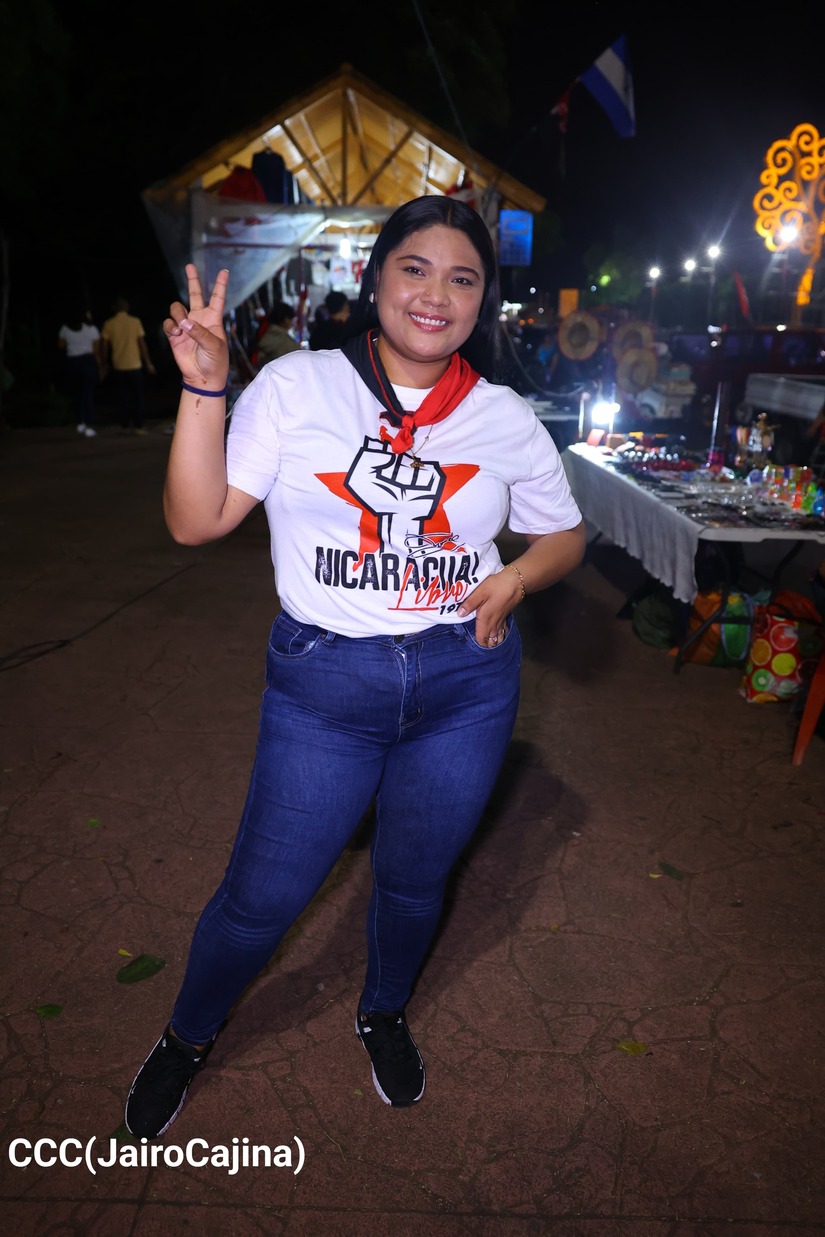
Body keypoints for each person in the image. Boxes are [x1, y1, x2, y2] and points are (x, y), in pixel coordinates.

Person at [123, 195, 585, 1139]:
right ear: (375, 279)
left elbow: (564, 534)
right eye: (415, 268)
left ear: (482, 301)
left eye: (462, 278)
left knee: (415, 879)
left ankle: (382, 1010)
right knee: (261, 898)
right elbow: (196, 520)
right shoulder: (296, 387)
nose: (435, 294)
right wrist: (204, 388)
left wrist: (517, 578)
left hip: (465, 683)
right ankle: (187, 1034)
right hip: (325, 688)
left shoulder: (501, 416)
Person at [100, 296, 156, 434]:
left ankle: (125, 424)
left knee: (122, 396)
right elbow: (141, 343)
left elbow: (105, 345)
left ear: (114, 309)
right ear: (127, 308)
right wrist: (148, 362)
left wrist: (104, 362)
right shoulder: (135, 322)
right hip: (134, 364)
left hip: (118, 365)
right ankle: (138, 426)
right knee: (138, 397)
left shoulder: (109, 323)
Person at [58, 307, 102, 437]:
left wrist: (72, 344)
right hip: (88, 361)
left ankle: (80, 421)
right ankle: (88, 424)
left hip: (72, 361)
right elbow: (96, 350)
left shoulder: (65, 329)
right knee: (88, 393)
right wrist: (100, 366)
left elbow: (60, 345)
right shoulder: (92, 329)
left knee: (77, 393)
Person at [255, 300, 301, 365]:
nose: (292, 323)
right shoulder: (281, 339)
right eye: (291, 319)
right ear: (286, 320)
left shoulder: (268, 333)